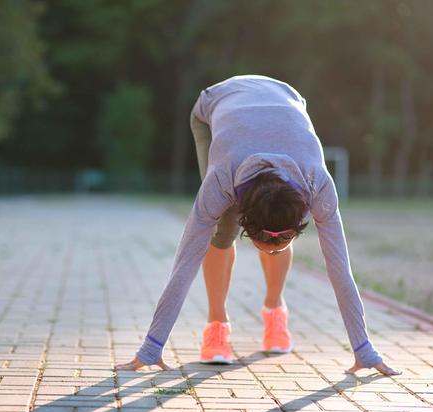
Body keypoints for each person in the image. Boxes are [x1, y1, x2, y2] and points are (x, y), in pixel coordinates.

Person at [116, 75, 400, 376]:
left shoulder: (318, 183)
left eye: (284, 240)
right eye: (269, 243)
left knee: (271, 219)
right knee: (220, 231)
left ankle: (275, 309)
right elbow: (185, 263)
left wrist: (363, 350)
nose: (276, 248)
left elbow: (340, 268)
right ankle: (217, 324)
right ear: (247, 225)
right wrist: (152, 347)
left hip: (287, 97)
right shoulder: (222, 178)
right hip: (215, 103)